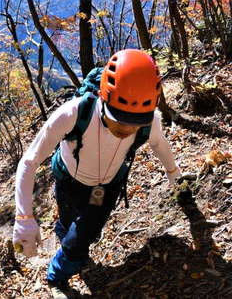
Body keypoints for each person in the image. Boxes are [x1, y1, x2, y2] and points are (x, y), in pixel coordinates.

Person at [12, 49, 182, 299]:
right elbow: (29, 162)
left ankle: (56, 277)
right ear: (104, 99)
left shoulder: (149, 122)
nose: (127, 130)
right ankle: (67, 240)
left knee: (84, 235)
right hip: (68, 181)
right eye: (119, 120)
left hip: (106, 187)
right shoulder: (73, 113)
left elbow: (160, 145)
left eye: (135, 124)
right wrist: (24, 217)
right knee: (68, 222)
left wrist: (174, 173)